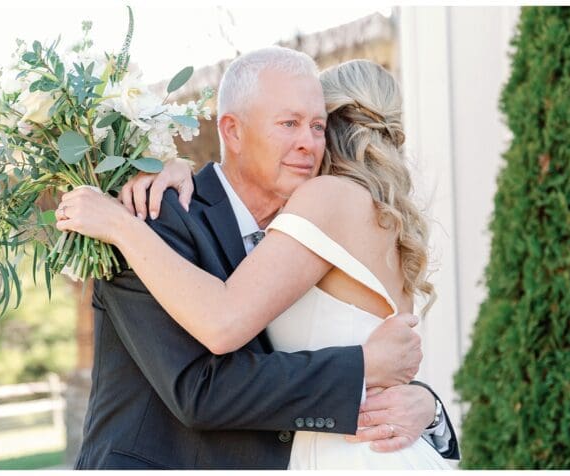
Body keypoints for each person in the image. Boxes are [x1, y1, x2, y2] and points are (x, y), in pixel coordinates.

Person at [66, 48, 457, 469]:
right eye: (288, 123)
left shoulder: (316, 225)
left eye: (318, 125)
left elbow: (347, 354)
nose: (307, 142)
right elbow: (200, 393)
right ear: (232, 131)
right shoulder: (151, 219)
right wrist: (359, 370)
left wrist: (425, 405)